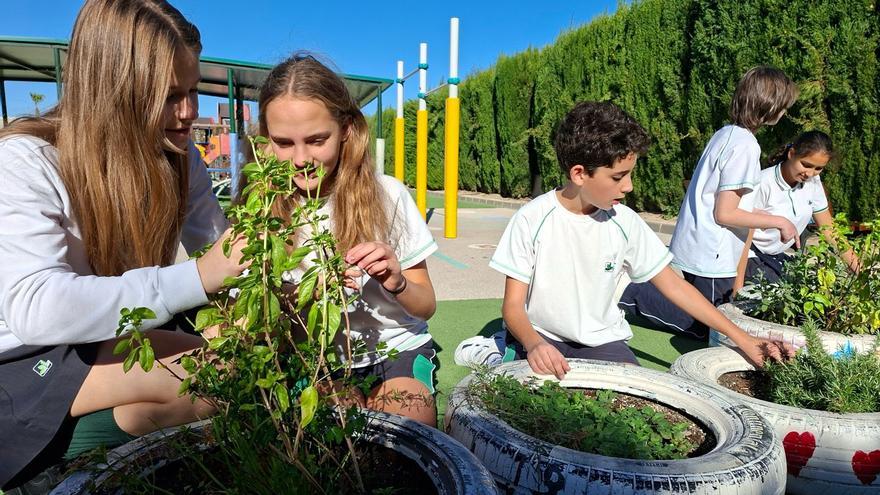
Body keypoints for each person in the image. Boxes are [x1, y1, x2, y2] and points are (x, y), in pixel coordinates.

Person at [0, 0, 247, 489]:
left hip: (110, 333)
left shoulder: (179, 158)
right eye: (171, 95)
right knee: (215, 385)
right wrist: (199, 277)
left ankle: (105, 445)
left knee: (228, 374)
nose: (189, 113)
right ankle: (47, 465)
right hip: (30, 356)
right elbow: (36, 309)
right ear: (114, 90)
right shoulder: (26, 160)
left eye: (194, 91)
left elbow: (219, 248)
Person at [489, 101, 793, 380]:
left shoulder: (624, 222)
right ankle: (499, 348)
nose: (629, 186)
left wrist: (744, 338)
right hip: (541, 336)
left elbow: (675, 286)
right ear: (579, 174)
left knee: (639, 403)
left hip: (601, 341)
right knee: (527, 404)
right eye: (618, 177)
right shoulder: (533, 219)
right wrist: (534, 344)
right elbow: (513, 306)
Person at [255, 54, 439, 426]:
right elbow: (261, 317)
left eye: (317, 139)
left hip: (396, 350)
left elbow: (426, 305)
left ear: (347, 131)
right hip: (317, 358)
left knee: (407, 430)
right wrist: (308, 290)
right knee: (334, 441)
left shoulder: (389, 195)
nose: (300, 159)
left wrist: (398, 281)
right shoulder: (260, 209)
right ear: (264, 141)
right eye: (283, 143)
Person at [619, 66, 800, 338]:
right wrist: (779, 221)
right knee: (711, 329)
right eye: (783, 107)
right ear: (769, 105)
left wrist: (761, 215)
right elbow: (725, 213)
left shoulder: (725, 134)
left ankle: (632, 290)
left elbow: (724, 201)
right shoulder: (746, 145)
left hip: (698, 245)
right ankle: (628, 292)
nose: (784, 113)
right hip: (713, 254)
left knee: (704, 314)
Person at [742, 131, 857, 282]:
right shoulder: (763, 182)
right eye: (806, 165)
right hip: (750, 254)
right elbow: (743, 233)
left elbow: (829, 231)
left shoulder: (813, 183)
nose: (810, 173)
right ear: (791, 154)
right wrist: (737, 287)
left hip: (776, 255)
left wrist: (859, 270)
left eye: (818, 168)